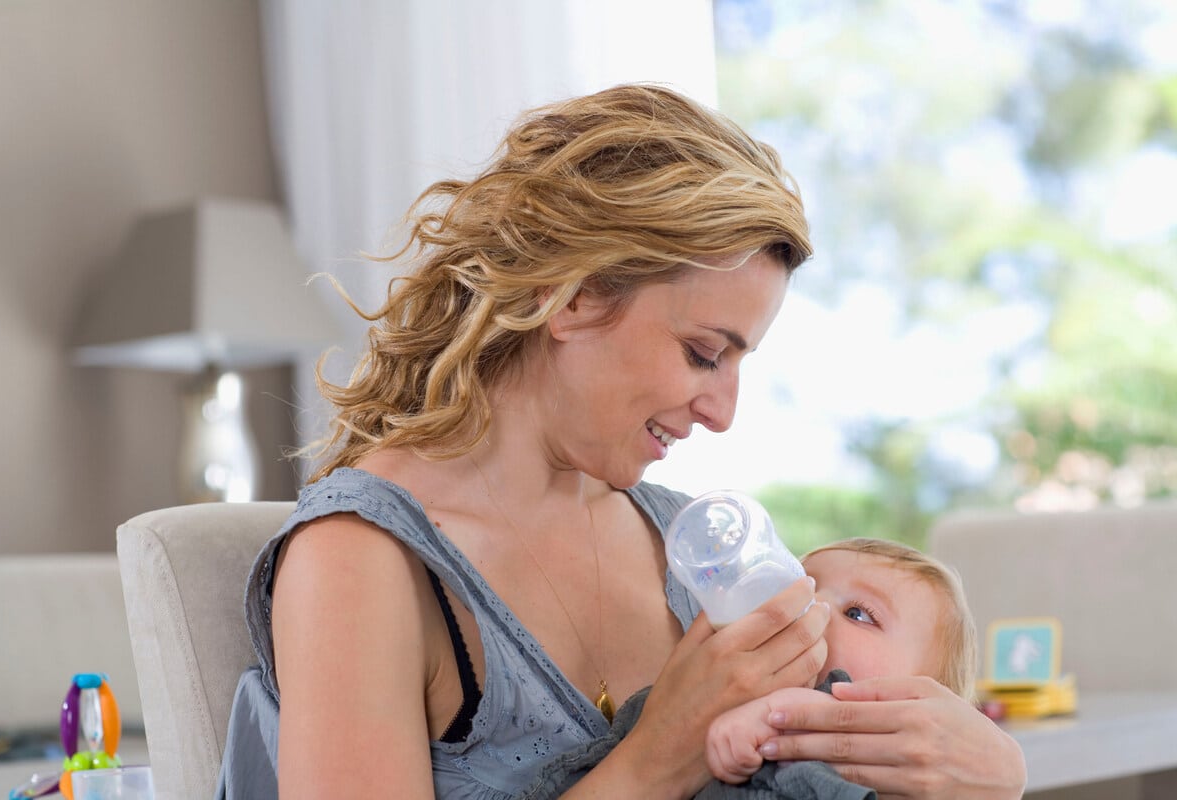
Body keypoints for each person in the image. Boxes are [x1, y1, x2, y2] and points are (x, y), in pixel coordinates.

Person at [215, 83, 1026, 799]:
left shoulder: (685, 539)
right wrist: (658, 758)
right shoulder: (363, 562)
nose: (722, 412)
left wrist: (991, 775)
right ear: (571, 299)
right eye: (704, 354)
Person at [705, 538, 978, 787]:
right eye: (799, 586)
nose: (813, 603)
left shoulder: (893, 750)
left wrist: (768, 714)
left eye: (856, 614)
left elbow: (827, 717)